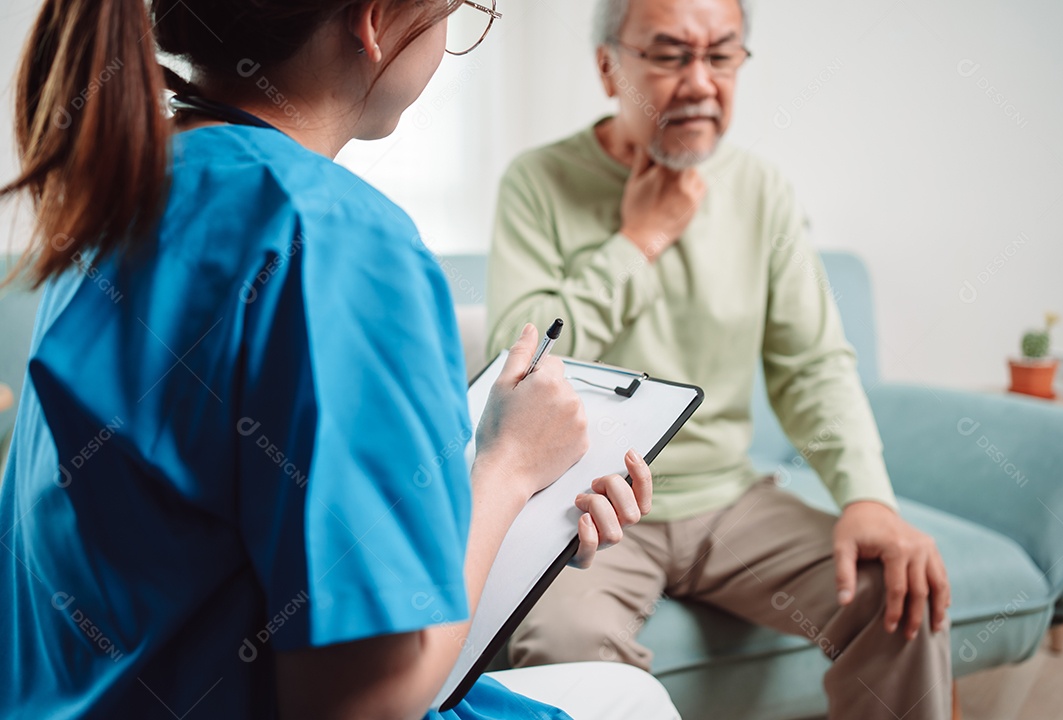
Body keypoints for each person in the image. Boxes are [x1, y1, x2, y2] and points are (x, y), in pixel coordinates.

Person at [0, 1, 682, 718]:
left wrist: (508, 522)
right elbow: (366, 702)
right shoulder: (341, 240)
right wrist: (508, 471)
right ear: (375, 20)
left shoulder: (127, 188)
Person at [485, 0, 954, 717]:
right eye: (670, 54)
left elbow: (812, 366)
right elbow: (520, 367)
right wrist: (640, 241)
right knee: (569, 648)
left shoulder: (760, 190)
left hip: (730, 501)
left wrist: (867, 497)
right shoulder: (536, 182)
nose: (701, 82)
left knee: (899, 593)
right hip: (590, 505)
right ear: (609, 67)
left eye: (722, 54)